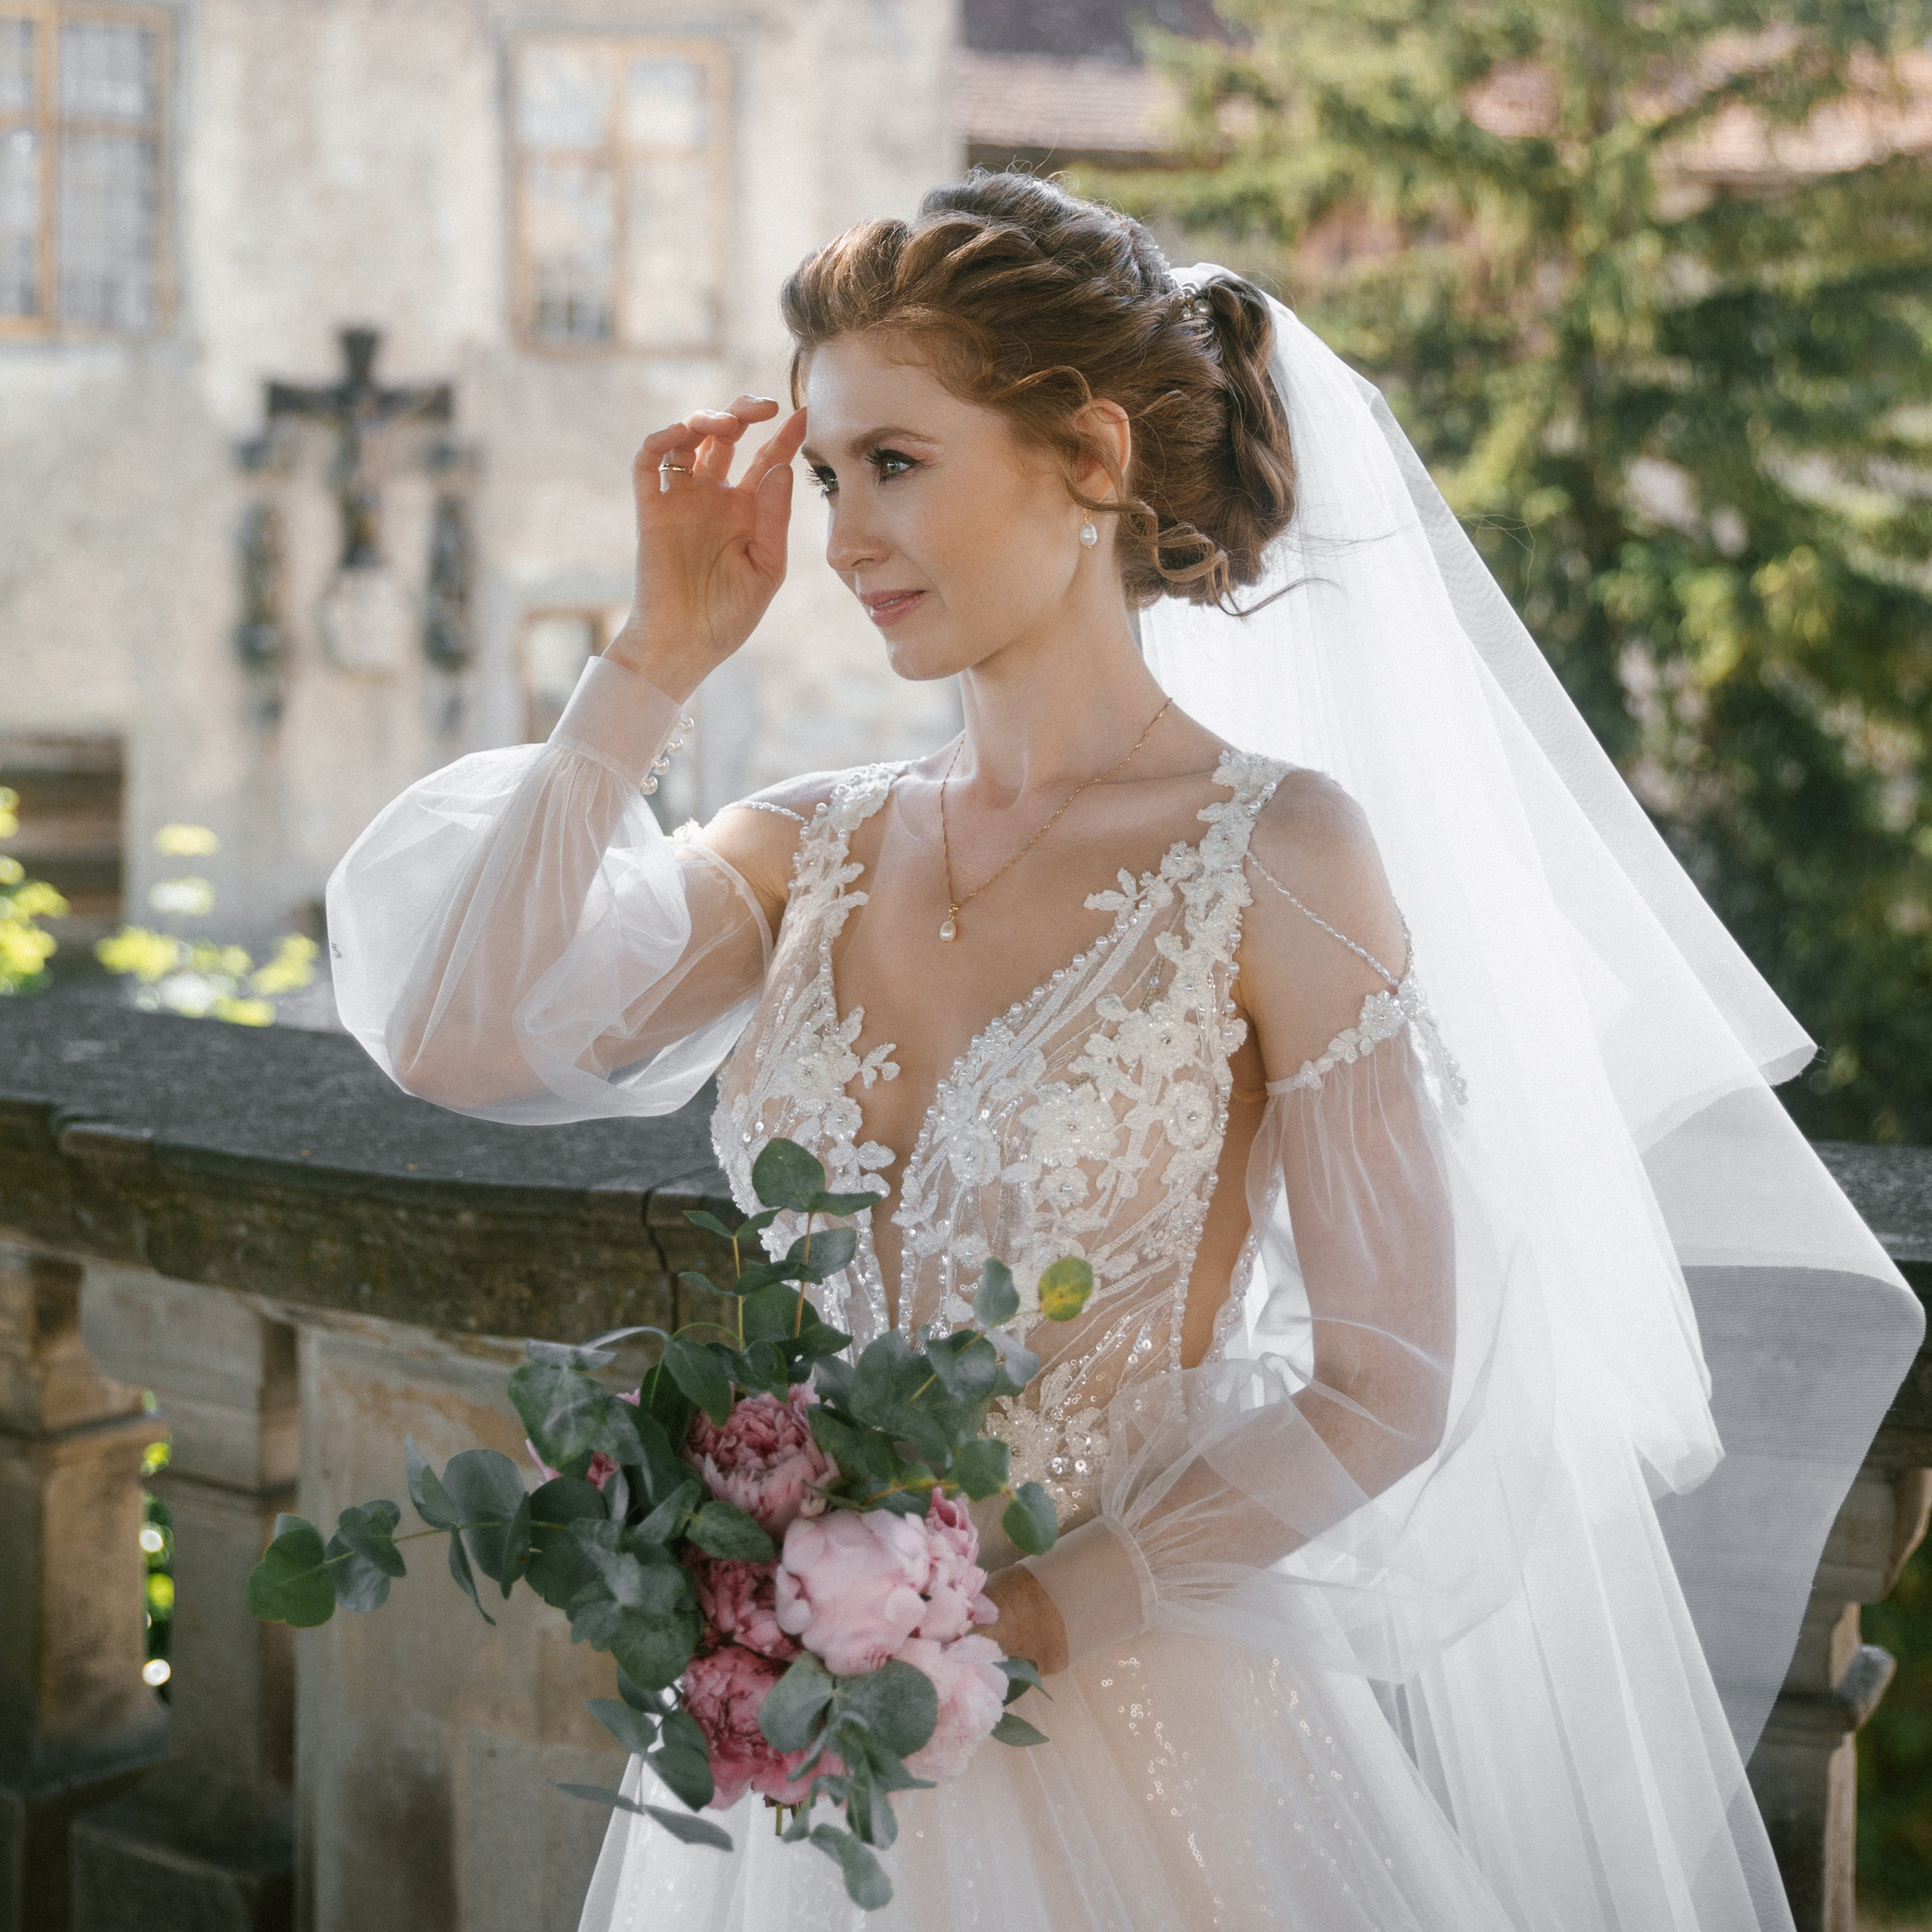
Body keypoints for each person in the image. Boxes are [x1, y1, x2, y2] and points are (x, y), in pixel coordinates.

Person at [328, 174, 1921, 1930]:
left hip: (1138, 1729)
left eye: (896, 463)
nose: (843, 537)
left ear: (1088, 455)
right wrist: (647, 663)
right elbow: (459, 1032)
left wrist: (1017, 1623)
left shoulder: (1278, 856)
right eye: (824, 472)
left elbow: (1385, 1380)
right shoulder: (803, 848)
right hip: (800, 1765)